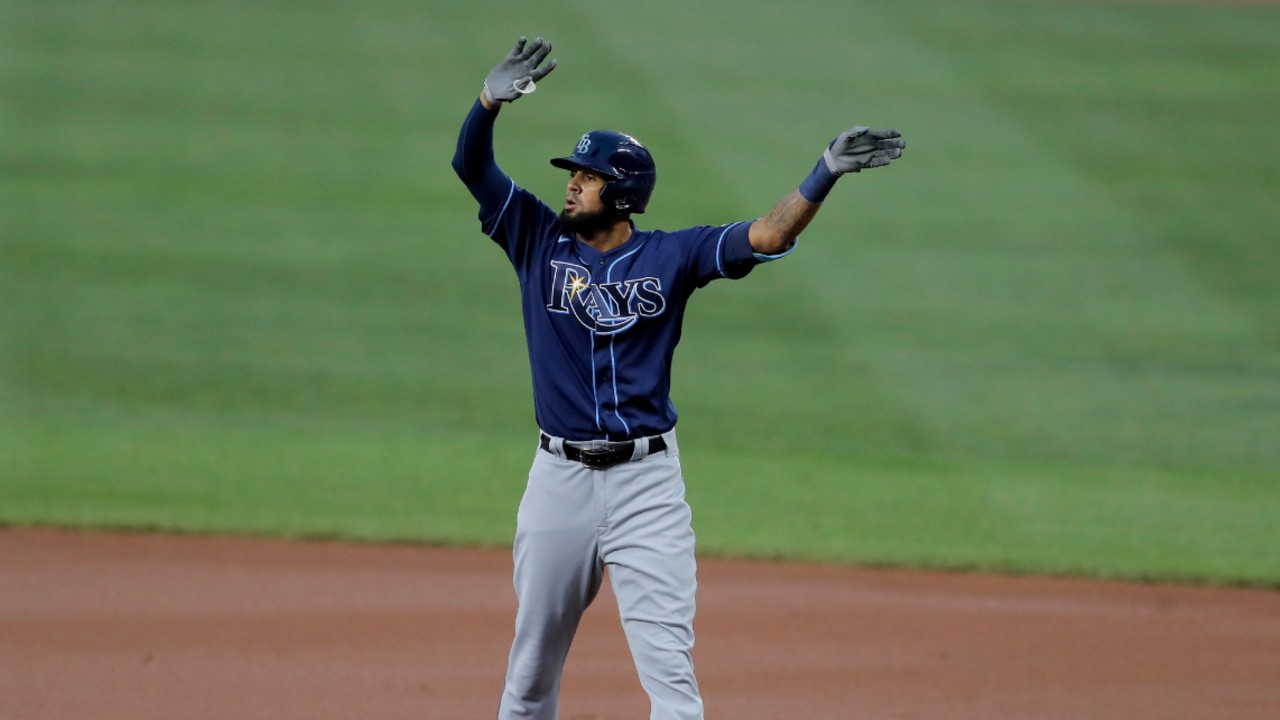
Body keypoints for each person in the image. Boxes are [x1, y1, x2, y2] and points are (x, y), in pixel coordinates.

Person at [452, 36, 905, 720]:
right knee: (530, 673)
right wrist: (488, 103)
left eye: (587, 175)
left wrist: (823, 173)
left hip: (646, 487)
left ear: (623, 192)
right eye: (572, 173)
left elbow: (767, 236)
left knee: (670, 678)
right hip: (559, 482)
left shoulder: (674, 254)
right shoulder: (534, 239)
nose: (571, 182)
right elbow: (470, 164)